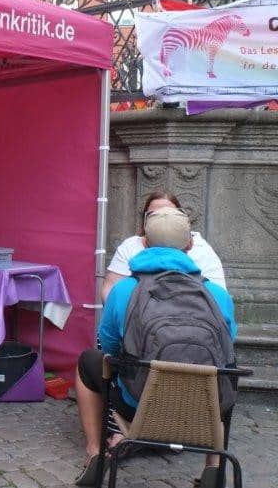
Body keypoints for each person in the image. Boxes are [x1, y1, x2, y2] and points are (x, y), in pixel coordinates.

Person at [74, 207, 237, 487]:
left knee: (88, 362)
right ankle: (214, 463)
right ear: (190, 245)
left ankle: (95, 452)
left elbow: (110, 346)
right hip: (204, 408)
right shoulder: (218, 295)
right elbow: (227, 349)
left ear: (145, 243)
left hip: (138, 403)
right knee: (225, 369)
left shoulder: (124, 290)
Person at [101, 191, 225, 303]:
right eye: (154, 215)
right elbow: (110, 292)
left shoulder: (202, 250)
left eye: (171, 214)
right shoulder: (131, 247)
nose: (163, 218)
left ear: (190, 244)